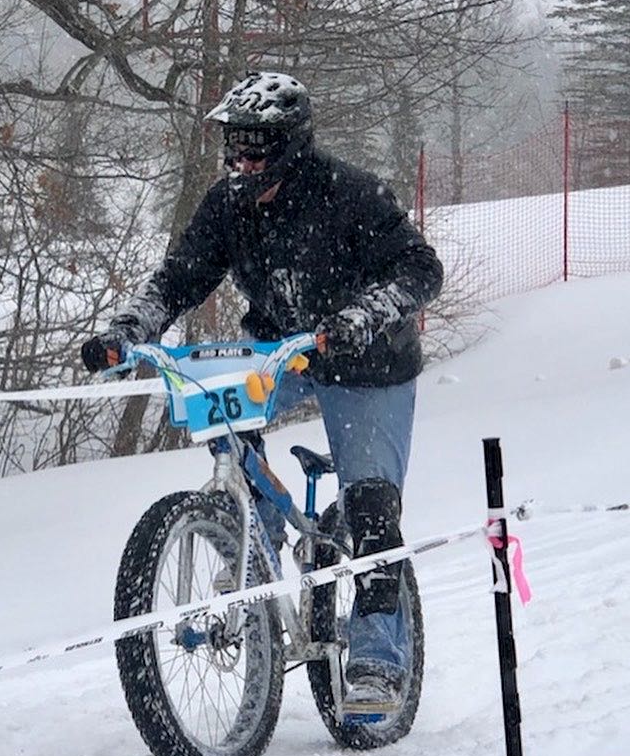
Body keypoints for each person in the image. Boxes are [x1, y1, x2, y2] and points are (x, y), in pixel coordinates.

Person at [81, 71, 443, 718]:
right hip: (276, 352)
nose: (241, 161)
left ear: (290, 146)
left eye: (255, 148)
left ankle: (378, 659)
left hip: (366, 361)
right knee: (222, 425)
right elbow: (180, 277)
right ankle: (251, 546)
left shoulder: (351, 195)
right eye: (233, 148)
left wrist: (361, 317)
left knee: (370, 511)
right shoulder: (228, 204)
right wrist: (126, 333)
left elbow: (422, 268)